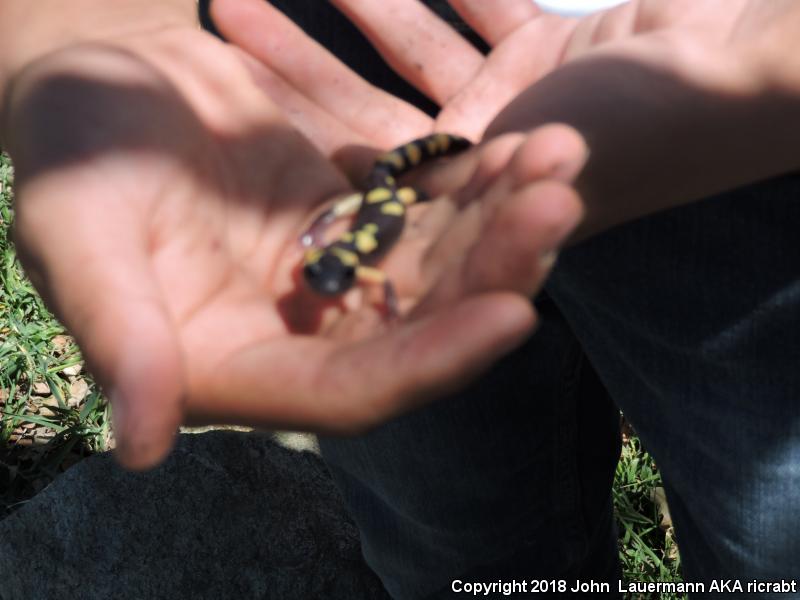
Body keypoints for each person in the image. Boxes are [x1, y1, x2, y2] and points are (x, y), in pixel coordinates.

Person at [1, 0, 799, 597]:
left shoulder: (357, 254)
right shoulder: (351, 248)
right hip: (354, 57)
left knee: (769, 544)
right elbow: (351, 234)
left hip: (757, 161)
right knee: (446, 518)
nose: (326, 284)